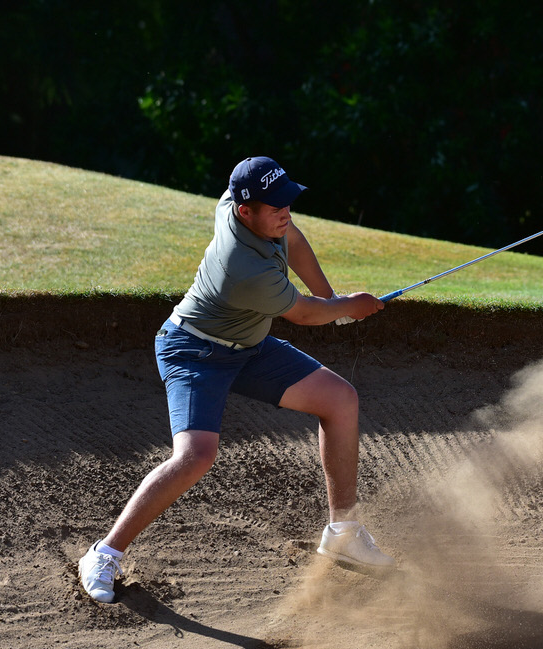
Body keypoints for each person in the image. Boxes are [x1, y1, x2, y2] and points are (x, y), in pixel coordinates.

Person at [79, 156, 395, 603]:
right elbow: (304, 314)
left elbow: (295, 240)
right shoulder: (242, 268)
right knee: (196, 456)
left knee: (339, 399)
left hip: (248, 346)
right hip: (195, 351)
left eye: (287, 202)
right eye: (275, 207)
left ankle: (343, 531)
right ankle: (104, 553)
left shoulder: (243, 203)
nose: (285, 213)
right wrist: (345, 307)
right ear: (245, 213)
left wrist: (333, 296)